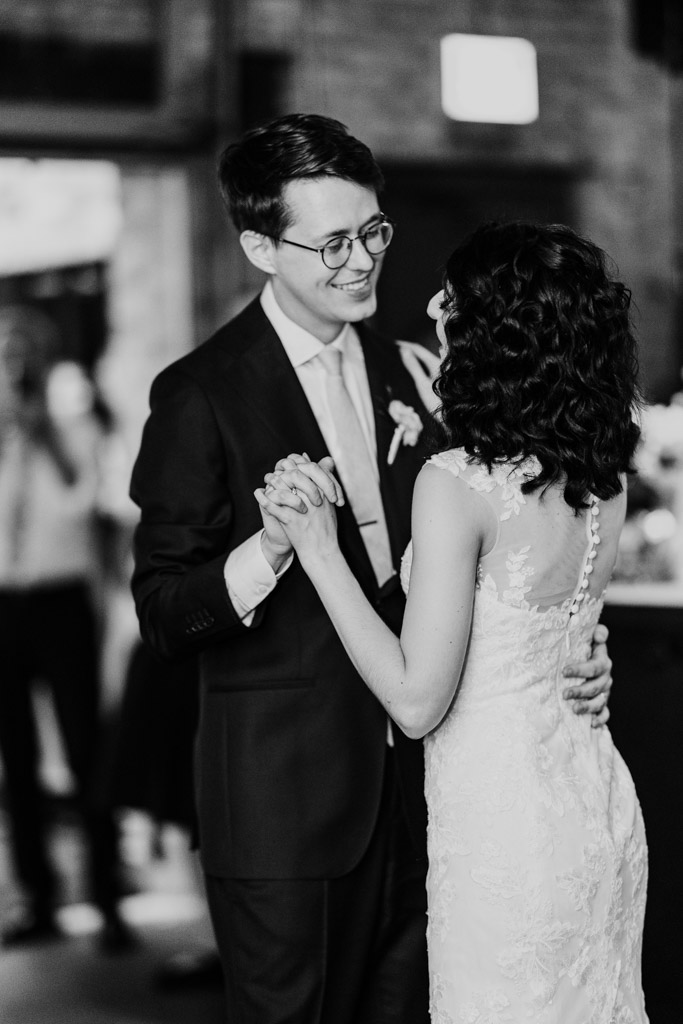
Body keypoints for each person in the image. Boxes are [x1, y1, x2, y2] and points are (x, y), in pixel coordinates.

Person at [129, 115, 614, 1024]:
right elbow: (162, 610)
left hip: (430, 797)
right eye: (332, 242)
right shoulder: (202, 393)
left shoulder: (417, 374)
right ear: (260, 247)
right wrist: (273, 548)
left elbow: (499, 553)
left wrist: (577, 647)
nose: (361, 262)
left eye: (373, 232)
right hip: (285, 812)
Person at [256, 221, 649, 1022]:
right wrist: (591, 650)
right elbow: (555, 624)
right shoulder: (603, 479)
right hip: (594, 809)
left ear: (497, 332)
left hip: (506, 831)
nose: (435, 305)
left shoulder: (456, 483)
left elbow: (414, 700)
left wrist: (317, 549)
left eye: (454, 296)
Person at [0, 305, 131, 950]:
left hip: (60, 602)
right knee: (15, 759)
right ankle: (38, 898)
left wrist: (39, 432)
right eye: (3, 355)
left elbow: (81, 501)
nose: (11, 366)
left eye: (21, 354)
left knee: (84, 748)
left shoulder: (74, 431)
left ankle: (108, 898)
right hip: (3, 606)